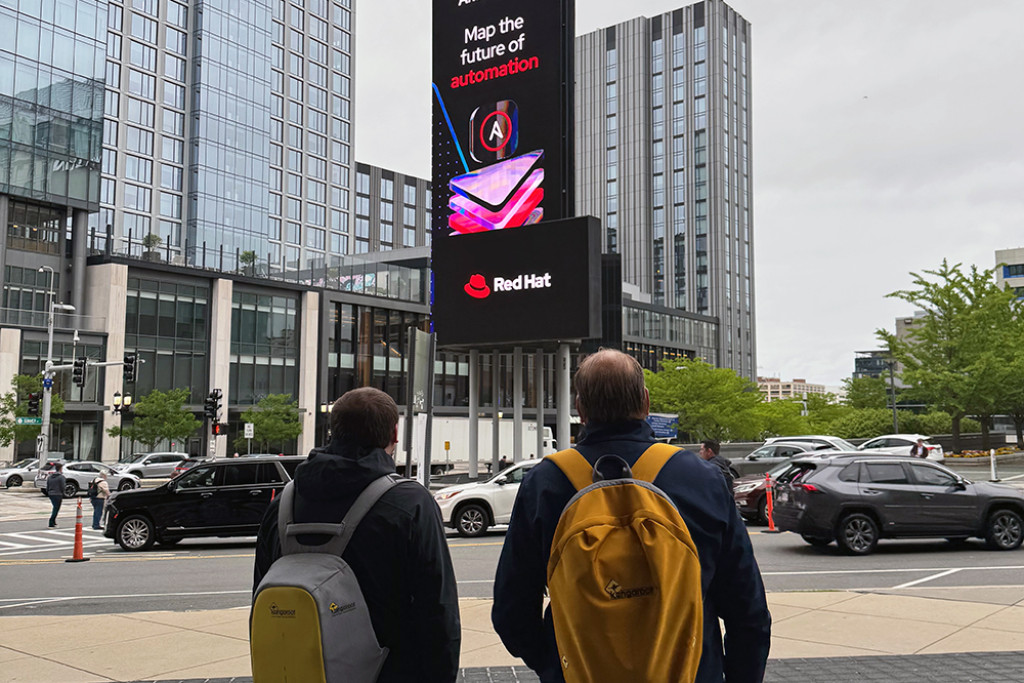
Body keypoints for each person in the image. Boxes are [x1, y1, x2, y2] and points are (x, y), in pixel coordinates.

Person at [492, 349, 771, 683]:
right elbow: (748, 613)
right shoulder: (702, 478)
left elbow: (511, 613)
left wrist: (554, 665)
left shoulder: (544, 484)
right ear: (646, 402)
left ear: (580, 409)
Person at [253, 387, 461, 682]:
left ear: (332, 432)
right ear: (394, 435)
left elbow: (259, 602)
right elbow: (439, 614)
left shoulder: (281, 506)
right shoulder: (410, 503)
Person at [46, 463, 66, 528]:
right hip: (58, 494)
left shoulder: (50, 477)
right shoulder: (61, 477)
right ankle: (51, 521)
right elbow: (63, 486)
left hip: (51, 493)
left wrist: (48, 492)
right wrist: (62, 492)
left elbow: (47, 486)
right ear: (60, 469)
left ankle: (53, 521)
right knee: (56, 508)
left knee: (55, 507)